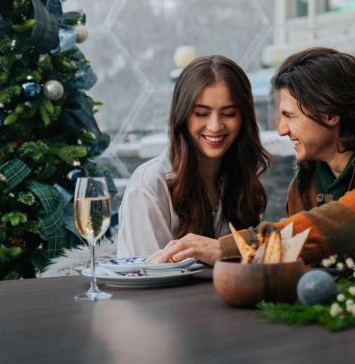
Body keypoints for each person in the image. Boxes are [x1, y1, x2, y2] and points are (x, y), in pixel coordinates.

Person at [158, 47, 355, 265]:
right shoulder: (305, 182)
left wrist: (228, 246)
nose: (281, 130)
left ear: (329, 113)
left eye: (289, 116)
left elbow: (348, 217)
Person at [116, 55, 270, 257]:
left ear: (244, 118)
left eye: (229, 113)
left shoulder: (239, 175)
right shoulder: (149, 183)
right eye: (201, 113)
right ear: (183, 116)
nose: (215, 126)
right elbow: (149, 276)